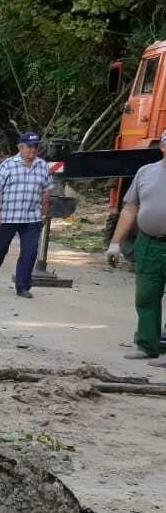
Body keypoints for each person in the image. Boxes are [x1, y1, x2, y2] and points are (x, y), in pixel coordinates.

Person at [109, 129, 166, 366]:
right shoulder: (146, 172)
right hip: (149, 242)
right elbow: (130, 208)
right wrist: (115, 243)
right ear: (162, 147)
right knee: (146, 295)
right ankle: (147, 345)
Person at [0, 131, 53, 298]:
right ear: (20, 147)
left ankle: (23, 286)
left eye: (36, 146)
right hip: (8, 217)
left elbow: (46, 192)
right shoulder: (8, 165)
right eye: (29, 146)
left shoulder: (42, 166)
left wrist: (44, 213)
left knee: (30, 252)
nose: (33, 150)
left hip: (32, 218)